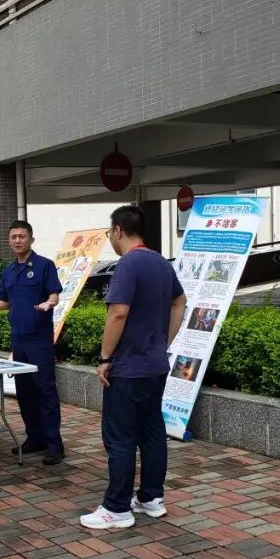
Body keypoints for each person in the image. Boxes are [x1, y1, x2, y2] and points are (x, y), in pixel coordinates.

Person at [81, 205, 187, 531]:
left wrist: (104, 358)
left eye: (109, 232)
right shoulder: (160, 262)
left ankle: (117, 508)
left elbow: (118, 312)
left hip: (128, 368)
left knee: (120, 437)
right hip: (155, 365)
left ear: (117, 230)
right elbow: (180, 302)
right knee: (152, 433)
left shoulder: (128, 264)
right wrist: (163, 341)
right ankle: (151, 498)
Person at [0, 220, 64, 465]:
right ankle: (34, 438)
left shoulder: (44, 265)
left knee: (45, 391)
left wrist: (49, 303)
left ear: (31, 239)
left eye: (22, 236)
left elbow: (54, 295)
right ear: (9, 241)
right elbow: (4, 302)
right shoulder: (8, 271)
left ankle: (54, 445)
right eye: (13, 237)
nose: (17, 240)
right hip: (18, 339)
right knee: (25, 391)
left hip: (39, 339)